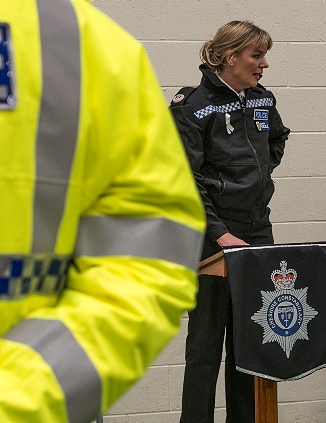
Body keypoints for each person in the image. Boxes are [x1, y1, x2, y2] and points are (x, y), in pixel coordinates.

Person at [0, 1, 206, 422]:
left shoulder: (88, 47)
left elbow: (147, 259)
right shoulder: (90, 46)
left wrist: (19, 397)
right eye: (256, 55)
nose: (264, 65)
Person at [170, 20, 290, 423]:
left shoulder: (262, 99)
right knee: (205, 348)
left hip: (257, 230)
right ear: (229, 56)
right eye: (256, 55)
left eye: (263, 55)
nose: (264, 64)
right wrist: (220, 233)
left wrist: (259, 177)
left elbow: (278, 138)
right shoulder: (193, 106)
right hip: (211, 236)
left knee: (251, 344)